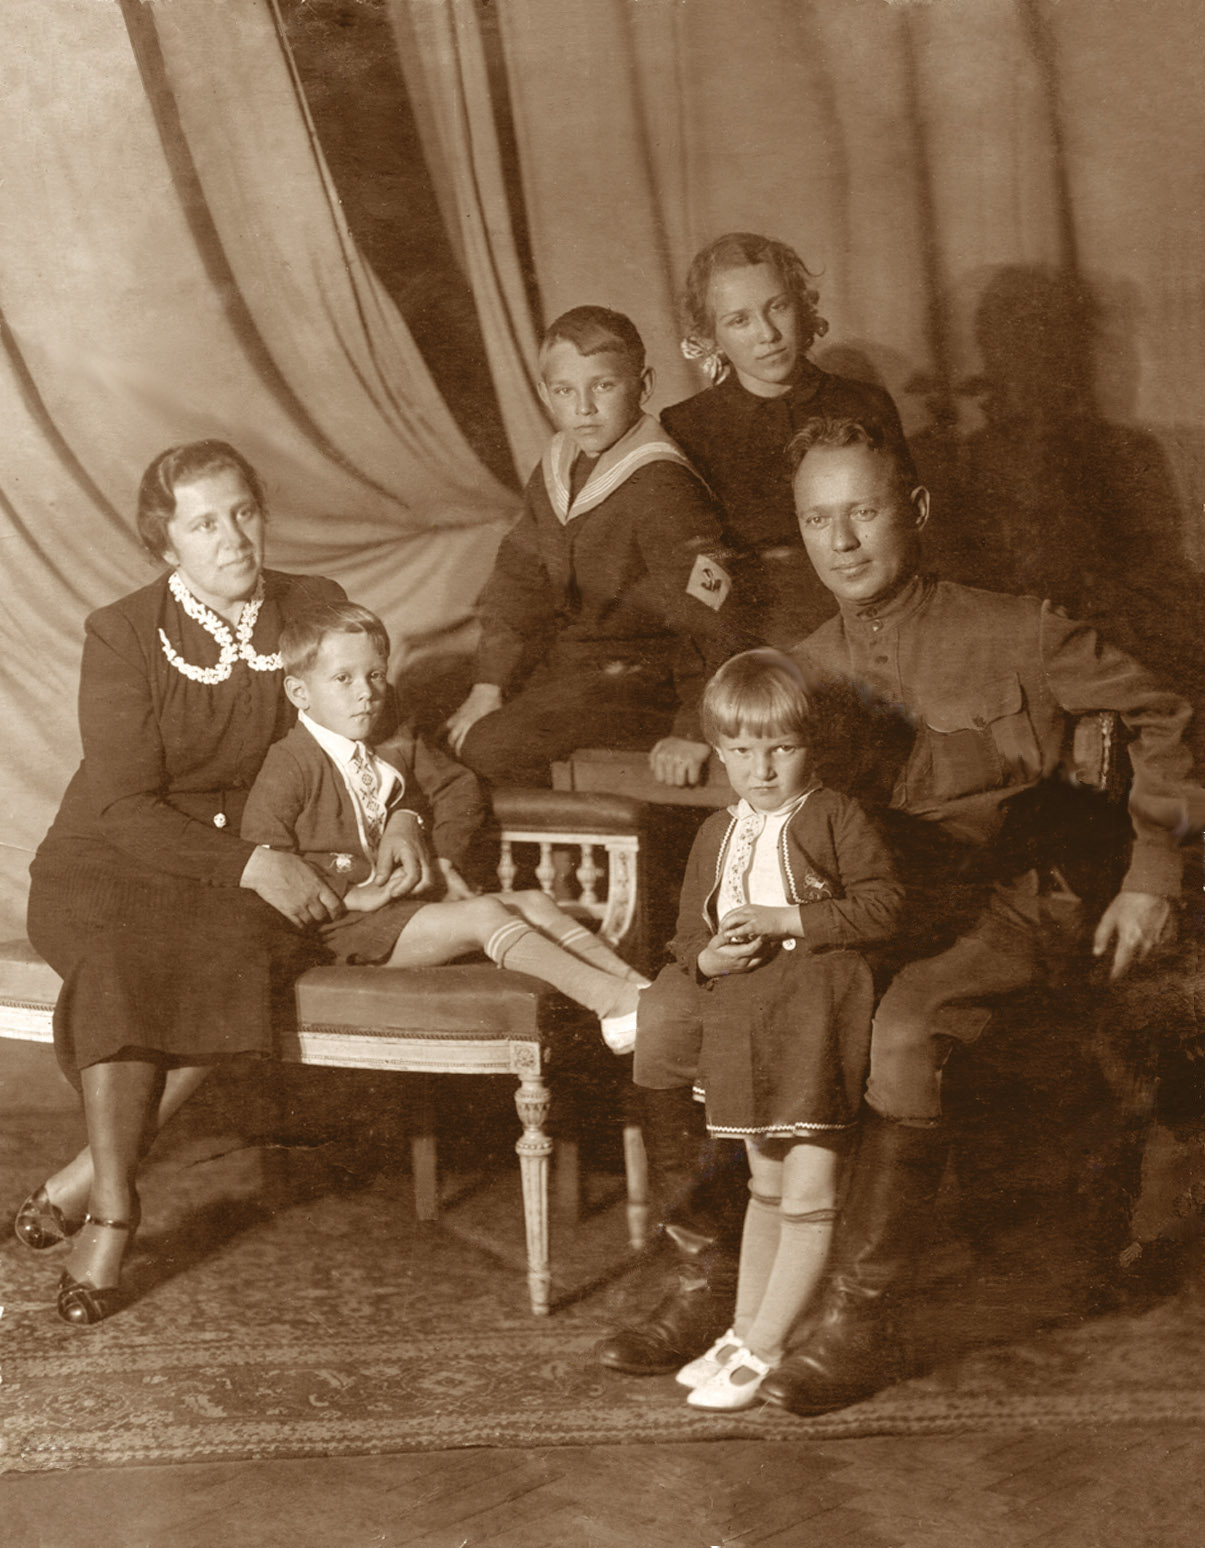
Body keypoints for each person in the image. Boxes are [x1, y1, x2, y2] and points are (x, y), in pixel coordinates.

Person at [599, 414, 1194, 1410]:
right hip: (864, 912)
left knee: (901, 1034)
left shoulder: (1020, 629)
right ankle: (710, 1273)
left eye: (863, 512)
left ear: (913, 510)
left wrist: (1151, 871)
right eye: (815, 519)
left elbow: (1167, 713)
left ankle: (860, 1314)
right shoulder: (802, 665)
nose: (840, 542)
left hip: (1004, 903)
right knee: (673, 1015)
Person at [18, 442, 417, 1325]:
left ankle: (87, 1178)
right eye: (203, 524)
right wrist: (249, 865)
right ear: (165, 543)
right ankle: (117, 1212)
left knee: (233, 951)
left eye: (243, 513)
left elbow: (381, 714)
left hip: (261, 860)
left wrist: (401, 814)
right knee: (123, 959)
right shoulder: (123, 632)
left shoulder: (311, 603)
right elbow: (123, 806)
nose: (232, 538)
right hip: (113, 857)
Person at [628, 650, 902, 1411]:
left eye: (781, 748)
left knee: (809, 1192)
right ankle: (744, 1329)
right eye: (743, 751)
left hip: (818, 1019)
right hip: (747, 1023)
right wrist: (709, 957)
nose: (762, 768)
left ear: (810, 746)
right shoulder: (716, 831)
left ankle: (768, 1345)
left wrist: (789, 919)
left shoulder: (835, 814)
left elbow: (885, 907)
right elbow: (688, 935)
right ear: (718, 751)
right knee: (766, 1187)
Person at [241, 600, 647, 1043]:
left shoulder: (389, 738)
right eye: (344, 679)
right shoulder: (289, 763)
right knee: (484, 914)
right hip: (343, 930)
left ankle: (643, 995)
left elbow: (457, 786)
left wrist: (445, 858)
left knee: (533, 902)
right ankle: (613, 1004)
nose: (366, 693)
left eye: (375, 675)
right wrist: (351, 895)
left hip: (398, 910)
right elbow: (267, 858)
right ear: (299, 693)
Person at [445, 305, 745, 791]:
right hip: (572, 668)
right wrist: (489, 682)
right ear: (544, 394)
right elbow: (518, 582)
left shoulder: (661, 482)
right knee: (425, 693)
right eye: (565, 391)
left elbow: (711, 617)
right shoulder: (558, 462)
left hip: (642, 683)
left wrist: (695, 726)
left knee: (486, 747)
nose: (583, 408)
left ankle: (569, 833)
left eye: (603, 386)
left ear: (643, 386)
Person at [660, 232, 906, 649]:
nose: (767, 334)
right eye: (739, 320)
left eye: (778, 306)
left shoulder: (865, 403)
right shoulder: (685, 426)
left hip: (871, 618)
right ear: (712, 335)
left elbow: (902, 535)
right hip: (756, 633)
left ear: (801, 306)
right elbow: (696, 570)